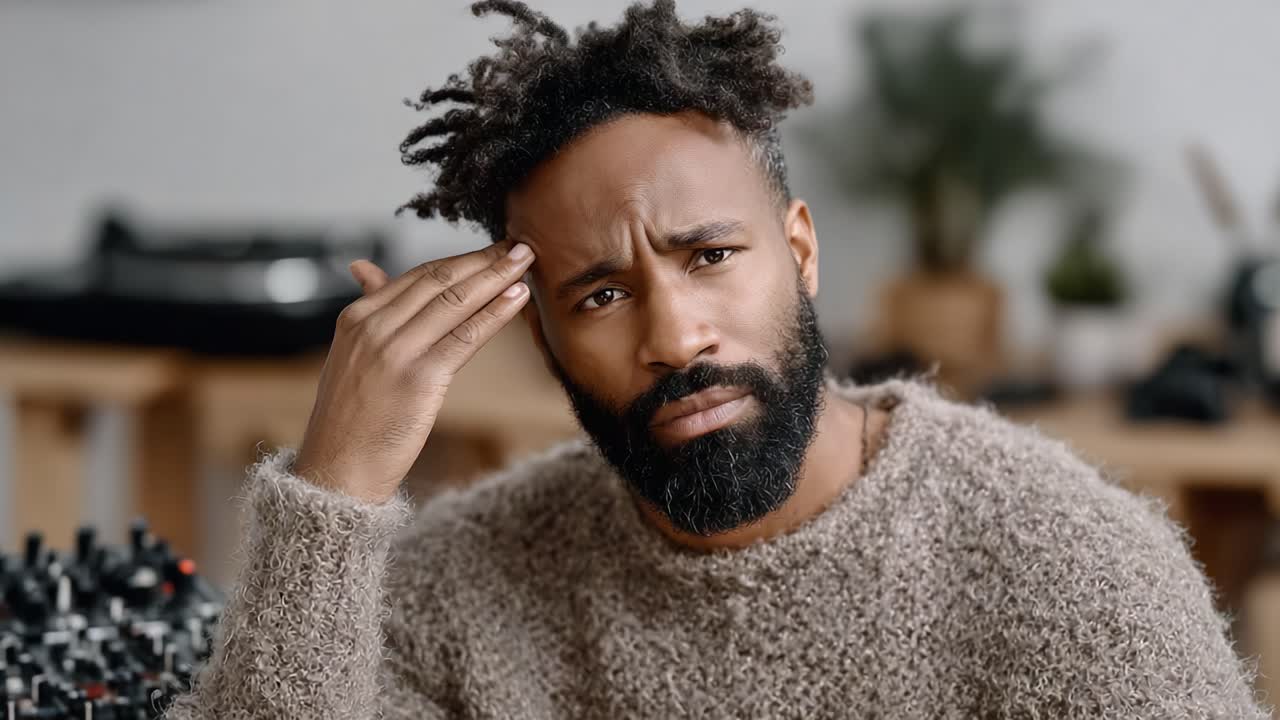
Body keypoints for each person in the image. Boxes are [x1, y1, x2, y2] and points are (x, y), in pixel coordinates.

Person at [166, 2, 1267, 718]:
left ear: (798, 248)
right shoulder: (458, 595)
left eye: (709, 254)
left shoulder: (1070, 574)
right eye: (598, 294)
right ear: (534, 328)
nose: (672, 336)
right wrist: (336, 488)